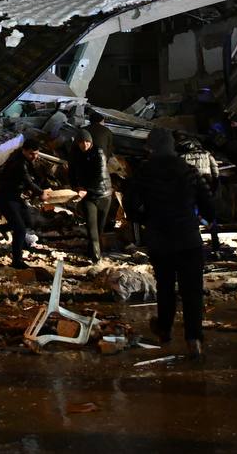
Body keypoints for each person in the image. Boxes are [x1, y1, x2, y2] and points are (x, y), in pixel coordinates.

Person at [125, 128, 213, 359]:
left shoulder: (143, 172)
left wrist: (146, 220)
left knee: (165, 287)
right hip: (188, 239)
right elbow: (209, 204)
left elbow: (130, 206)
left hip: (160, 240)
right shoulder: (189, 171)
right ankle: (193, 338)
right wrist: (200, 218)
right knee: (192, 290)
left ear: (151, 147)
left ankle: (164, 330)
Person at [0, 137, 44, 268]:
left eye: (37, 153)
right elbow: (28, 180)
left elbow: (36, 176)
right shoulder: (18, 162)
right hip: (5, 197)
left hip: (15, 196)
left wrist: (46, 187)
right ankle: (17, 260)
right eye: (32, 153)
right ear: (24, 151)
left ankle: (3, 228)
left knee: (28, 221)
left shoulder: (28, 160)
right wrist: (41, 193)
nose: (34, 156)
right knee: (20, 229)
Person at [69, 128, 112, 263]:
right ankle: (96, 259)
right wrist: (75, 187)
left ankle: (91, 252)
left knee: (99, 229)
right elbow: (71, 171)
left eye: (87, 142)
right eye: (81, 142)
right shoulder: (75, 153)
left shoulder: (99, 153)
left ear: (91, 142)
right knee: (91, 228)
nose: (85, 145)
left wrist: (85, 189)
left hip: (103, 194)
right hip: (88, 197)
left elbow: (99, 175)